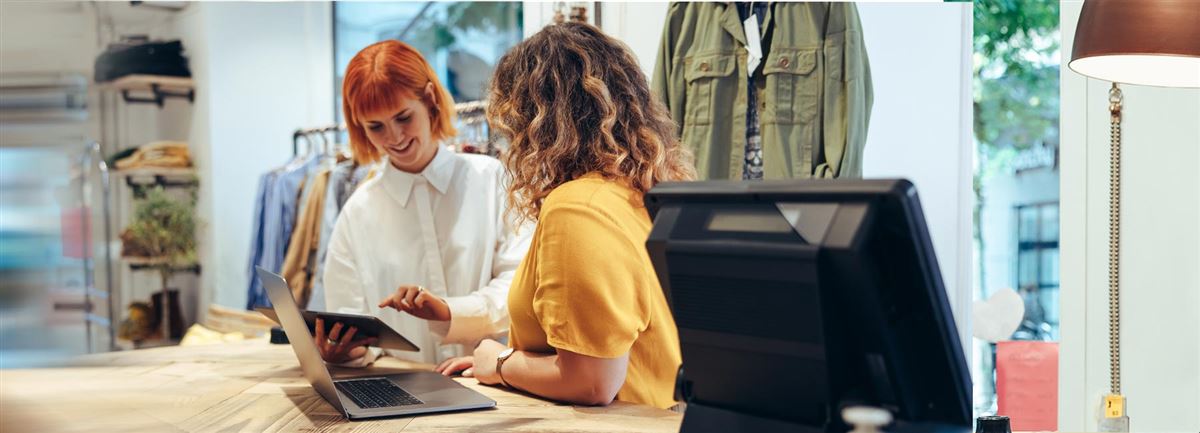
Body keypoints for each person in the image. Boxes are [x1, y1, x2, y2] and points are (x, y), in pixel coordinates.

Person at [435, 23, 695, 410]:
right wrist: (499, 364)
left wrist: (500, 362)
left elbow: (592, 382)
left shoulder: (579, 208)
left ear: (535, 120)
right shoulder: (643, 191)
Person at [316, 40, 531, 366]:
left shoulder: (491, 180)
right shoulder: (357, 212)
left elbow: (521, 285)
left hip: (497, 387)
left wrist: (450, 312)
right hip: (399, 395)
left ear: (430, 99)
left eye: (403, 117)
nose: (394, 138)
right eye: (376, 126)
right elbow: (350, 319)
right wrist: (347, 350)